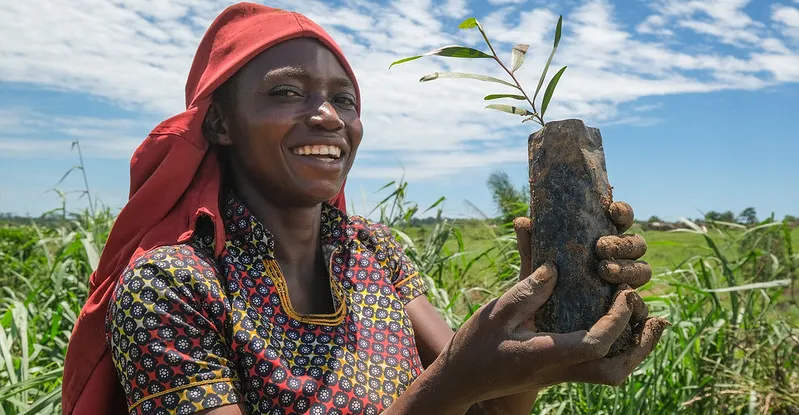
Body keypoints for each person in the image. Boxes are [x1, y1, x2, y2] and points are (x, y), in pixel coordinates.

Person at [61, 3, 666, 415]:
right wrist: (451, 383)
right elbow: (454, 388)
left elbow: (489, 406)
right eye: (287, 92)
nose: (327, 116)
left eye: (343, 99)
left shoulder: (374, 252)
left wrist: (540, 326)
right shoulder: (171, 285)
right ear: (219, 121)